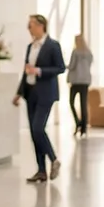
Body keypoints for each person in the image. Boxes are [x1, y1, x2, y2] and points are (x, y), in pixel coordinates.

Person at [12, 14, 66, 183]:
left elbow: (60, 68)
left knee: (37, 128)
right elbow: (26, 71)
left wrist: (40, 71)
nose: (29, 28)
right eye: (28, 26)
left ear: (41, 26)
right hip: (31, 93)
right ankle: (41, 170)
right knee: (34, 134)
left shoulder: (53, 46)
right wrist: (19, 93)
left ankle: (54, 159)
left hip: (46, 93)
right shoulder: (30, 47)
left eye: (31, 25)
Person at [67, 35, 93, 136]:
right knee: (83, 105)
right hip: (85, 81)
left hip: (76, 81)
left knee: (71, 102)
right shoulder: (89, 53)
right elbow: (89, 65)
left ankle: (78, 121)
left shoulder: (75, 52)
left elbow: (72, 65)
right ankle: (84, 129)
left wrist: (64, 66)